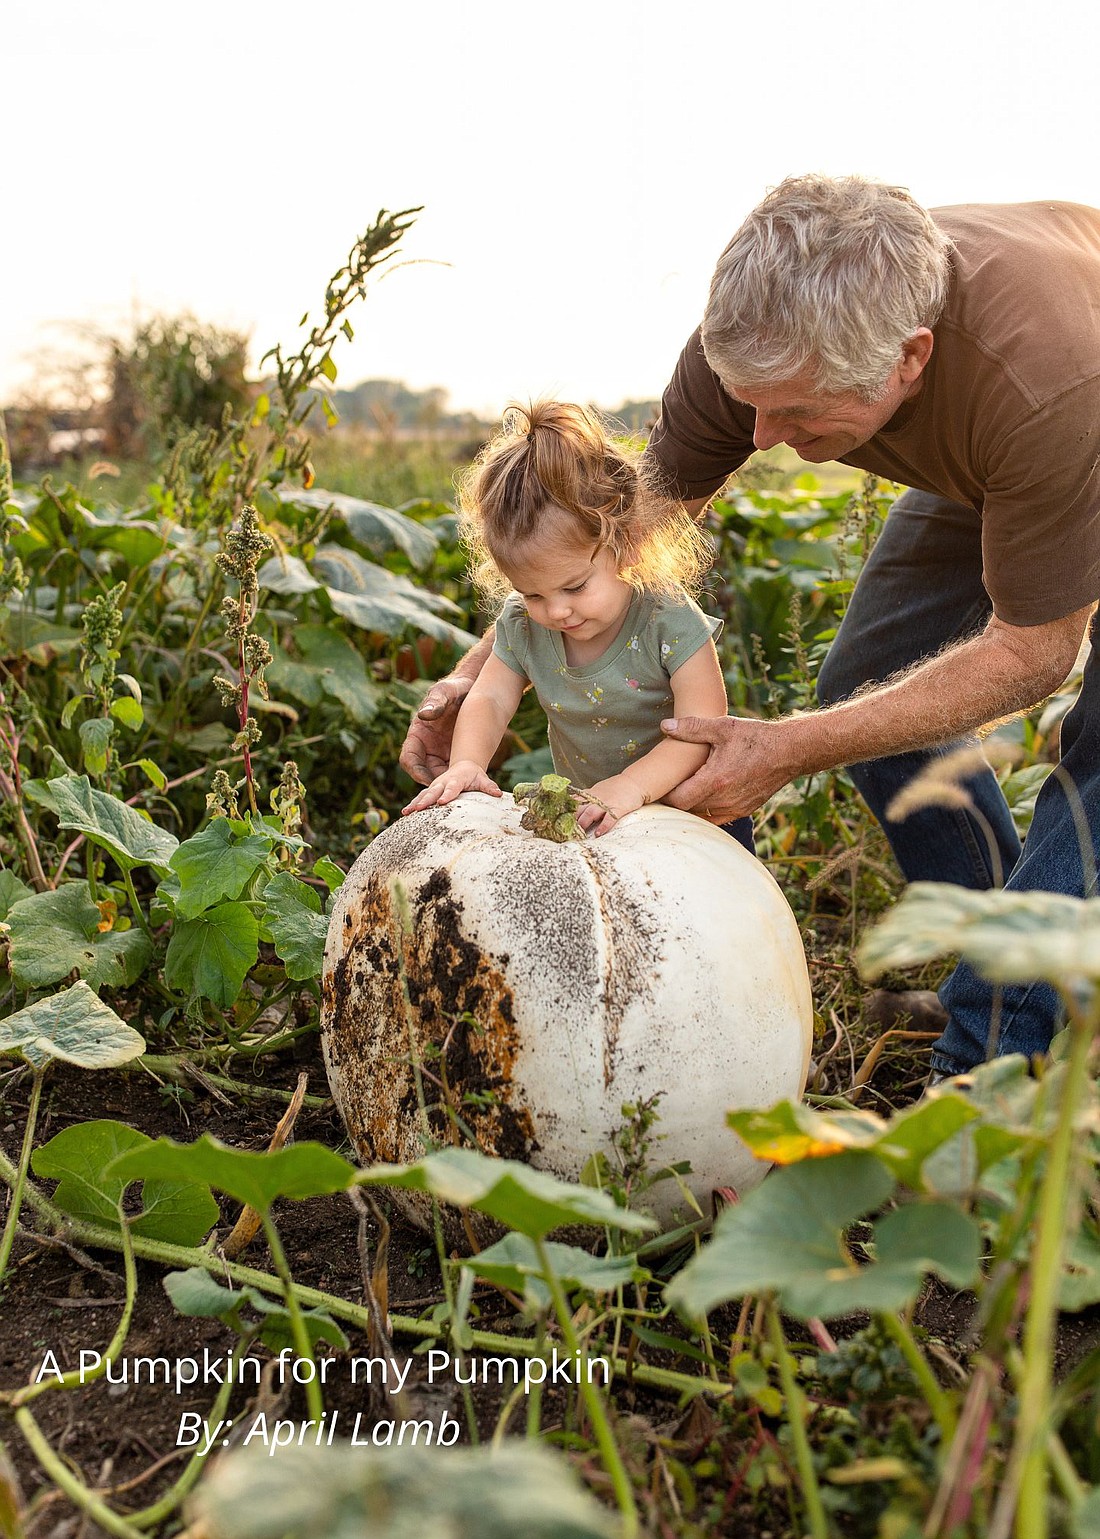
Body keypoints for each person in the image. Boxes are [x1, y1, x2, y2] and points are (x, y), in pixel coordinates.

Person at [401, 175, 1100, 1078]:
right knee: (867, 681)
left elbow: (1033, 654)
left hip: (1072, 418)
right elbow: (615, 541)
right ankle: (1000, 955)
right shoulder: (756, 344)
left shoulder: (1045, 385)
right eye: (748, 399)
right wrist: (470, 677)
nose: (760, 433)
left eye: (799, 411)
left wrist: (788, 747)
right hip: (1009, 459)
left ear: (909, 359)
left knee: (1096, 767)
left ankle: (988, 1068)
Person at [401, 401, 754, 847]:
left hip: (696, 816)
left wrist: (629, 787)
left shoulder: (667, 619)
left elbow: (702, 730)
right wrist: (467, 764)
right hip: (594, 816)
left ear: (627, 545)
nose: (556, 612)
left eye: (576, 587)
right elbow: (489, 697)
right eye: (533, 594)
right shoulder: (523, 625)